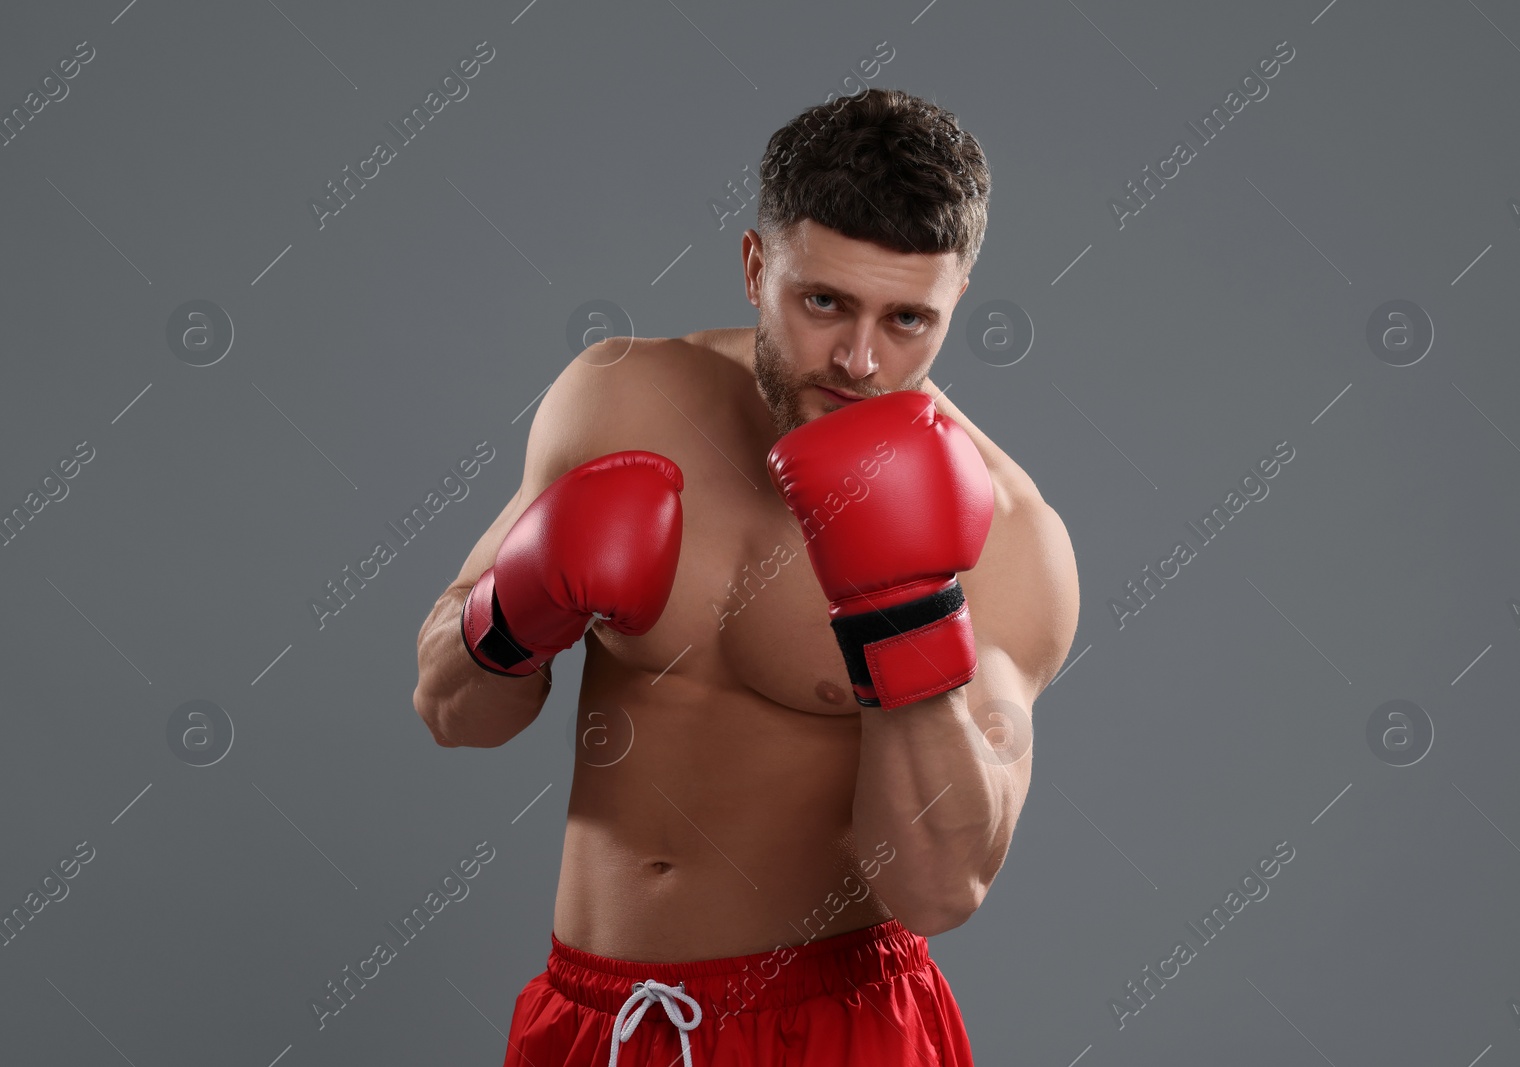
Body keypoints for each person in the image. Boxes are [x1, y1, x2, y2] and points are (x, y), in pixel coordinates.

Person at [412, 86, 1079, 1066]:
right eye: (824, 303)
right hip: (591, 1019)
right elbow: (452, 712)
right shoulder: (622, 397)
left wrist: (906, 609)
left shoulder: (1006, 535)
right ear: (754, 265)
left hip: (831, 1027)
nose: (858, 358)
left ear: (955, 305)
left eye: (907, 319)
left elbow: (940, 887)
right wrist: (514, 611)